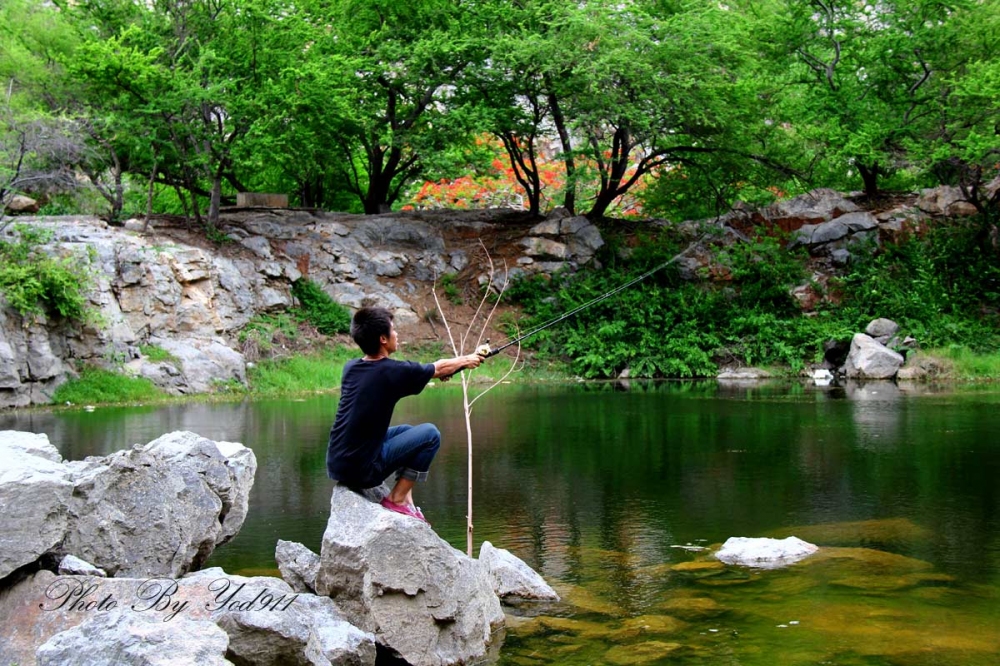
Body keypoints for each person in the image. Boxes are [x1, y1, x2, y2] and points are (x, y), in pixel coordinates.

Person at [326, 306, 484, 523]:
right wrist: (467, 360)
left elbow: (429, 373)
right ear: (383, 339)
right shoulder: (391, 371)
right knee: (430, 435)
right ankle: (397, 499)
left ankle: (405, 497)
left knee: (408, 432)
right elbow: (436, 368)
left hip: (338, 463)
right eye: (393, 330)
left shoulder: (351, 368)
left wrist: (442, 372)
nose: (397, 334)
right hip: (362, 472)